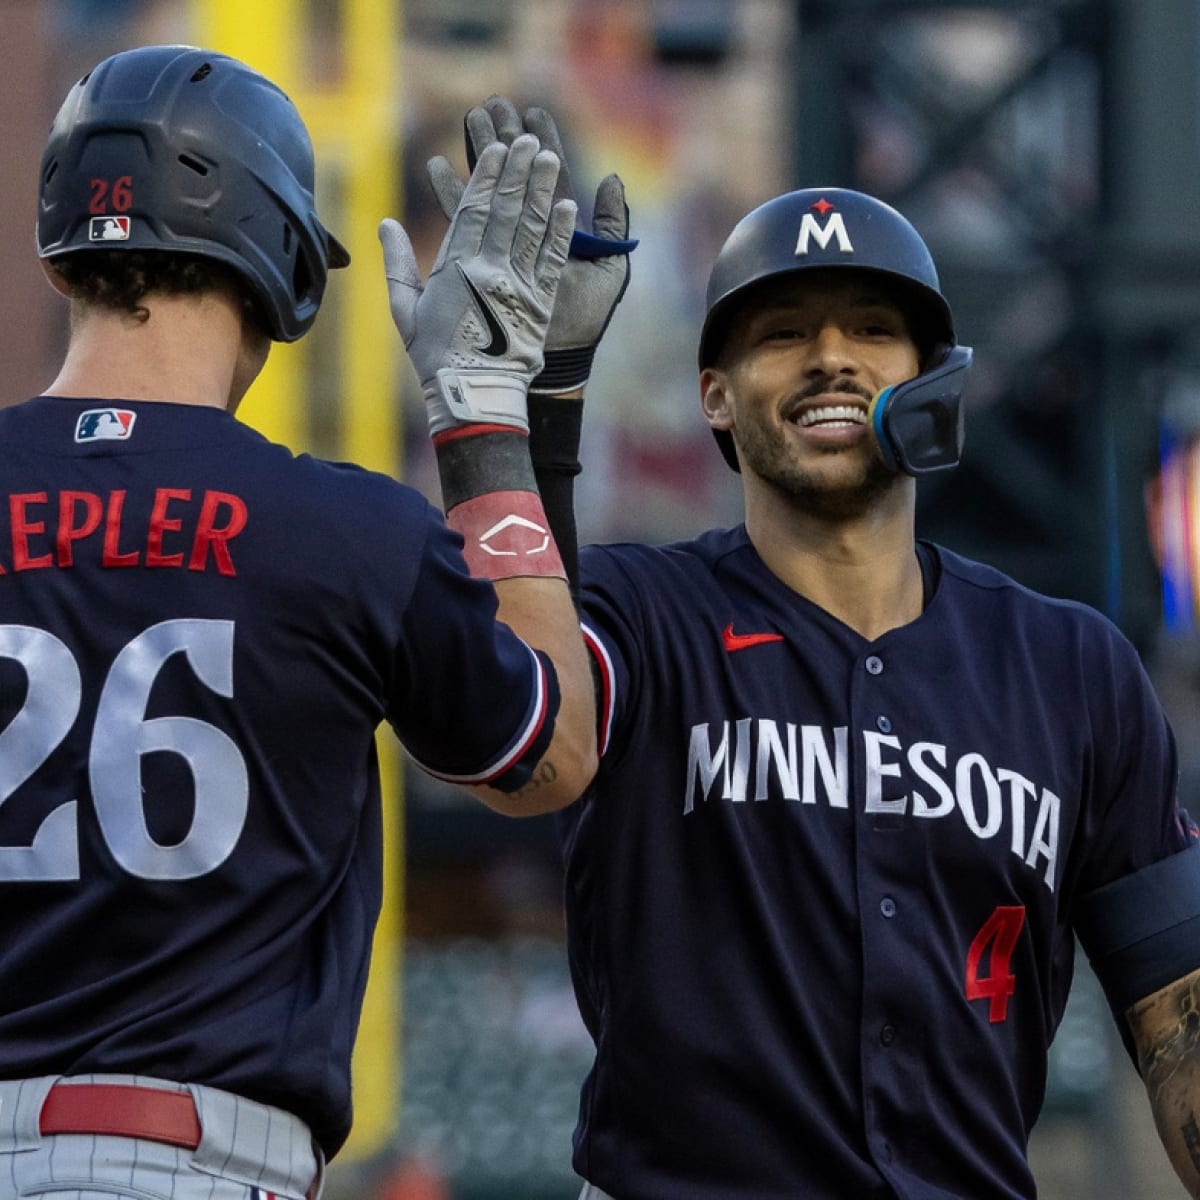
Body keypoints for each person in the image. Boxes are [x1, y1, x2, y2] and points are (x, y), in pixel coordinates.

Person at [436, 101, 1200, 1199]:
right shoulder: (638, 613)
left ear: (934, 378)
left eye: (872, 330)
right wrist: (517, 412)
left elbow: (1176, 1002)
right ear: (715, 395)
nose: (831, 358)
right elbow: (507, 724)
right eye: (782, 333)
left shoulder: (1072, 668)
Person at [0, 46, 596, 1200]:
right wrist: (481, 414)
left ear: (65, 250)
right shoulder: (343, 531)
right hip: (192, 1161)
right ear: (278, 265)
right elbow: (550, 755)